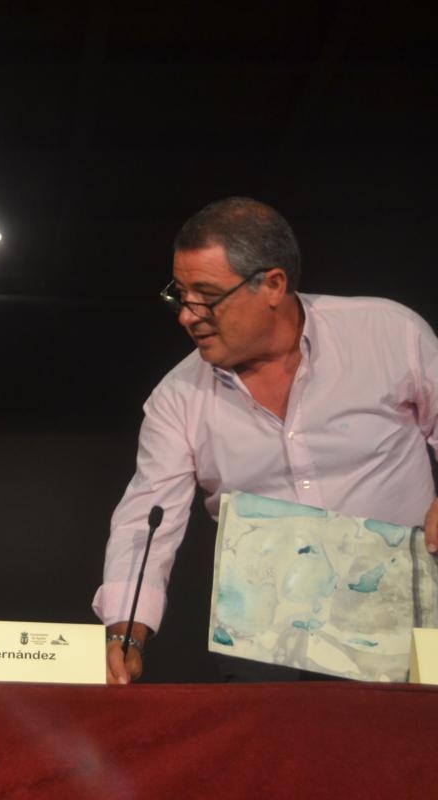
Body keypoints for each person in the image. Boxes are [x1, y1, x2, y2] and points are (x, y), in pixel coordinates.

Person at [95, 197, 438, 684]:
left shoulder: (388, 334)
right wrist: (126, 633)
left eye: (207, 296)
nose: (187, 316)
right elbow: (148, 520)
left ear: (273, 285)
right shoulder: (178, 397)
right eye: (180, 293)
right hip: (264, 651)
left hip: (404, 629)